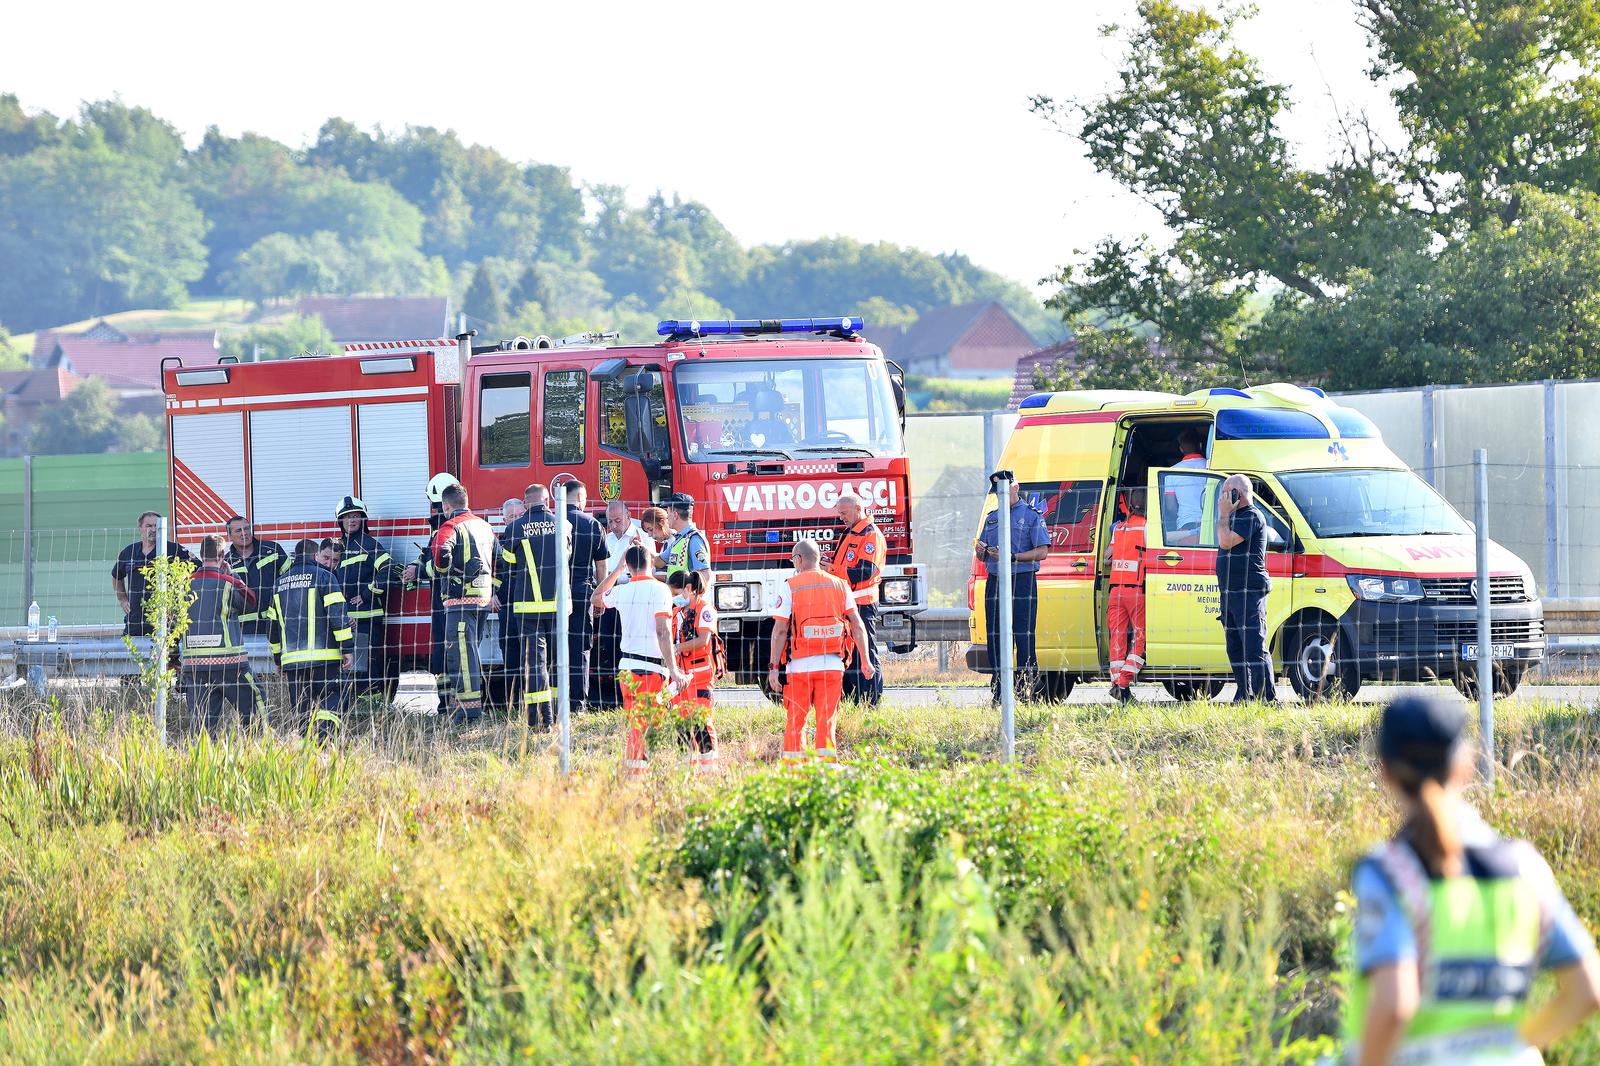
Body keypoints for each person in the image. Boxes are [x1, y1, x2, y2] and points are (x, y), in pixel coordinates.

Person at [1346, 693, 1600, 1065]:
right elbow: (1588, 991)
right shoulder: (1526, 869)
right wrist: (1515, 1046)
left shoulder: (1388, 874)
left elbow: (1394, 1007)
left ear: (1383, 770)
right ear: (1465, 765)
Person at [767, 538, 874, 766]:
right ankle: (826, 769)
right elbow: (857, 625)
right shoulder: (840, 585)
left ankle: (795, 770)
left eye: (793, 559)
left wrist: (774, 668)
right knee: (826, 721)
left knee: (796, 721)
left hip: (799, 668)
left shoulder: (790, 586)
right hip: (832, 666)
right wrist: (865, 660)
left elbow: (779, 630)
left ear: (799, 559)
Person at [593, 545, 689, 777]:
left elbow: (596, 597)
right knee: (647, 728)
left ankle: (636, 773)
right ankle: (638, 776)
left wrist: (616, 571)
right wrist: (674, 670)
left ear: (629, 565)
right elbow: (663, 631)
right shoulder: (660, 591)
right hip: (651, 669)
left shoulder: (624, 590)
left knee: (638, 725)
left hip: (627, 669)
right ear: (651, 561)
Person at [267, 538, 354, 740]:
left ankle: (305, 746)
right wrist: (346, 648)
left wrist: (278, 659)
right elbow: (337, 615)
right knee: (331, 699)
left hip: (292, 662)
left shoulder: (279, 584)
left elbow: (271, 626)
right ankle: (325, 741)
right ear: (315, 556)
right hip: (324, 658)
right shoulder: (325, 577)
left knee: (301, 708)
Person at [974, 475, 1050, 701]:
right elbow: (981, 552)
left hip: (1022, 579)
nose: (1002, 495)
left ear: (1016, 487)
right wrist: (982, 551)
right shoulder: (992, 518)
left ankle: (1029, 689)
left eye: (1006, 490)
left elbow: (1042, 551)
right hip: (996, 580)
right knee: (995, 635)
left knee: (1023, 635)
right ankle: (999, 691)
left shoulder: (1031, 516)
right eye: (998, 492)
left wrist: (1013, 557)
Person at [180, 533, 262, 734]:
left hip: (194, 666)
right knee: (255, 708)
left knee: (201, 725)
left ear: (200, 554)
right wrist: (233, 575)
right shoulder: (226, 582)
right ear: (222, 555)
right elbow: (251, 602)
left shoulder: (183, 584)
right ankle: (256, 748)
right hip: (229, 663)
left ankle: (201, 760)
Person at [499, 485, 563, 728]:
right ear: (548, 500)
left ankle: (540, 720)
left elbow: (509, 566)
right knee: (558, 662)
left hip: (528, 606)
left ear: (525, 504)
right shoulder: (562, 524)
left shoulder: (514, 528)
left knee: (535, 664)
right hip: (559, 606)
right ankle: (560, 715)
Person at [431, 482, 496, 724]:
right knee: (472, 654)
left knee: (460, 658)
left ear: (446, 506)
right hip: (483, 600)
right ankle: (470, 708)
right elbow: (503, 559)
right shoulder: (485, 526)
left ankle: (468, 713)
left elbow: (440, 554)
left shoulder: (449, 526)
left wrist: (444, 570)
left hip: (459, 602)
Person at [1216, 473, 1276, 703]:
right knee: (1235, 646)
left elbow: (1225, 542)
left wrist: (1223, 515)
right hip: (1230, 593)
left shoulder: (1250, 516)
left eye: (1225, 493)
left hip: (1248, 592)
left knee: (1253, 645)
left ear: (1235, 494)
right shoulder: (1232, 517)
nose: (1222, 498)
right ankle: (1244, 692)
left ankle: (1265, 697)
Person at [404, 473, 461, 701]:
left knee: (446, 649)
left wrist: (418, 571)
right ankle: (445, 702)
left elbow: (441, 564)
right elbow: (427, 555)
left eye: (432, 504)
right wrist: (413, 567)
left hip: (448, 598)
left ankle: (448, 703)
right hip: (443, 598)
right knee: (443, 648)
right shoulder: (440, 530)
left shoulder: (448, 529)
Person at [335, 496, 398, 702]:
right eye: (347, 517)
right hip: (342, 620)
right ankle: (354, 704)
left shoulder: (370, 545)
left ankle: (372, 706)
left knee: (366, 664)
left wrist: (366, 594)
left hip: (366, 618)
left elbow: (389, 571)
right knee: (347, 664)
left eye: (356, 516)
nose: (351, 520)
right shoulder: (336, 547)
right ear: (340, 521)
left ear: (363, 520)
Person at [828, 491, 887, 707]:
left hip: (862, 605)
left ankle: (871, 702)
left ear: (858, 509)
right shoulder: (849, 533)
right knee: (849, 654)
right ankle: (855, 701)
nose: (841, 517)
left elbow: (865, 572)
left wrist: (832, 569)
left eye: (844, 513)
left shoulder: (871, 535)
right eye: (839, 513)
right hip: (845, 605)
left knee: (866, 653)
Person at [558, 479, 609, 711]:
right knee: (580, 647)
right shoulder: (592, 524)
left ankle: (555, 702)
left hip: (553, 594)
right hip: (582, 593)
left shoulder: (553, 522)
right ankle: (578, 703)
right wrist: (600, 595)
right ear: (580, 498)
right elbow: (601, 567)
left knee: (553, 647)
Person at [595, 501, 651, 709]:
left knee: (633, 648)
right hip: (611, 600)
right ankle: (620, 697)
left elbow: (649, 569)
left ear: (628, 515)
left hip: (634, 601)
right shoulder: (607, 539)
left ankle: (637, 695)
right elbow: (599, 569)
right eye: (610, 521)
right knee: (611, 646)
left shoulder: (642, 538)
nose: (614, 525)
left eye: (618, 520)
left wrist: (620, 575)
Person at [668, 569, 721, 774]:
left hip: (700, 675)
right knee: (681, 726)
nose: (673, 599)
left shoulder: (705, 609)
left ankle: (709, 771)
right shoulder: (677, 613)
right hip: (680, 677)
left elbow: (703, 640)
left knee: (700, 724)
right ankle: (686, 772)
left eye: (675, 593)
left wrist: (675, 648)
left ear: (689, 589)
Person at [112, 511, 194, 638]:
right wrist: (122, 599)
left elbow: (197, 568)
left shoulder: (175, 550)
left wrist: (183, 600)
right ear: (140, 528)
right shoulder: (129, 552)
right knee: (133, 655)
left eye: (157, 526)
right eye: (149, 526)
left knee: (169, 656)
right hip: (136, 621)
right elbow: (116, 575)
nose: (154, 530)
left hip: (167, 621)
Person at [1105, 487, 1148, 703]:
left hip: (1115, 592)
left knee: (1117, 638)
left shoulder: (1118, 529)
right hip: (1136, 591)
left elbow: (1106, 558)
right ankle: (1123, 682)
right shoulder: (1148, 528)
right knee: (1140, 638)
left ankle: (1117, 686)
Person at [223, 515, 287, 636]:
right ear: (230, 536)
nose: (244, 533)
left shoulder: (272, 549)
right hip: (243, 629)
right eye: (238, 531)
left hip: (276, 622)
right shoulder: (226, 562)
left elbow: (290, 580)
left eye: (246, 529)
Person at [495, 495, 529, 709]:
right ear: (504, 519)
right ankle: (514, 703)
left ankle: (529, 702)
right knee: (511, 656)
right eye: (511, 517)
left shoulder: (533, 540)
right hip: (507, 607)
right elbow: (494, 572)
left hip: (528, 607)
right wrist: (493, 593)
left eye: (520, 515)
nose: (516, 520)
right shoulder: (498, 542)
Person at [663, 492, 712, 589]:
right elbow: (659, 561)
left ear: (675, 515)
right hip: (679, 599)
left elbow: (705, 574)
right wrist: (642, 547)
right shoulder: (680, 539)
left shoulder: (694, 539)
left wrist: (693, 599)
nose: (666, 517)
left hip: (688, 600)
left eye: (668, 513)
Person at [1169, 427, 1210, 534]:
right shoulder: (1211, 467)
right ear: (1200, 445)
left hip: (1186, 526)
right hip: (1211, 525)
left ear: (1181, 449)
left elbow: (1170, 506)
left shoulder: (1172, 471)